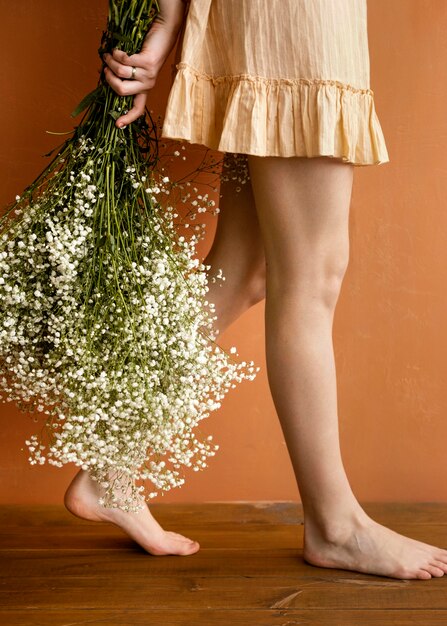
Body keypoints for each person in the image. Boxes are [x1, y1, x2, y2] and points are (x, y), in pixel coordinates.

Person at [64, 0, 447, 578]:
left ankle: (110, 465)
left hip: (262, 23)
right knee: (310, 275)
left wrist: (166, 28)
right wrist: (163, 29)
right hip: (299, 24)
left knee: (249, 269)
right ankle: (335, 525)